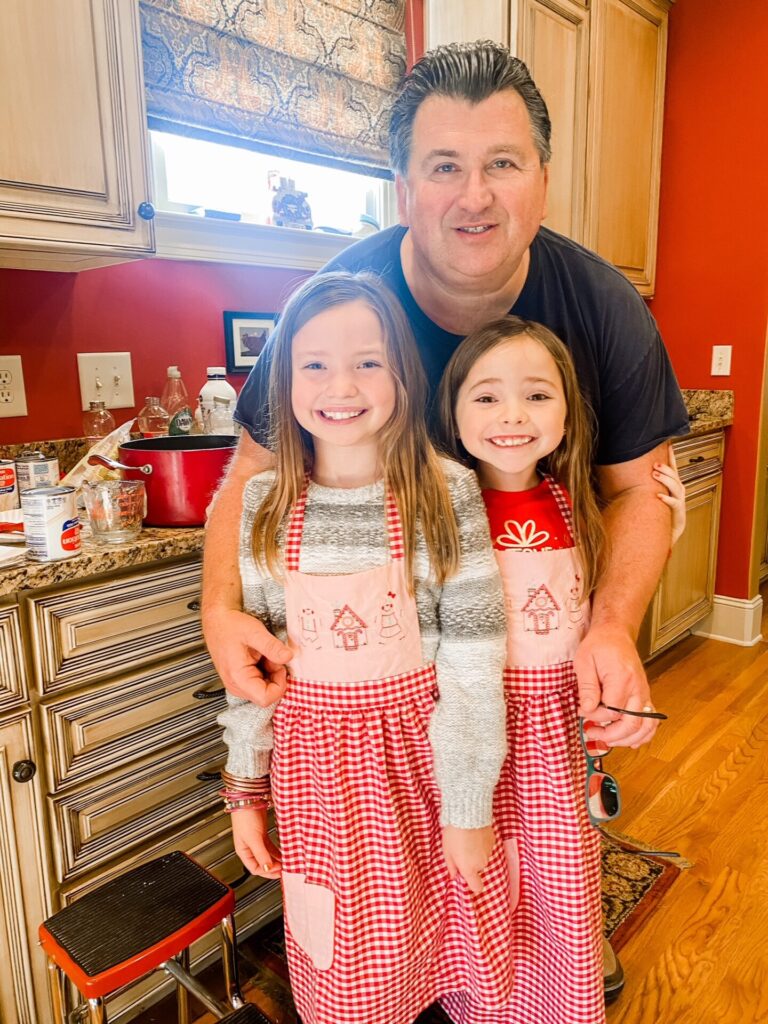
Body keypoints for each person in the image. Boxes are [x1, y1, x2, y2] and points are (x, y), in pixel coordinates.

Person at [201, 39, 690, 999]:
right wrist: (224, 607)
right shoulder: (338, 311)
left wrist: (612, 625)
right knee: (399, 919)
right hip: (370, 699)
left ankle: (540, 954)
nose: (475, 196)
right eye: (444, 167)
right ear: (402, 186)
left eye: (502, 163)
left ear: (543, 179)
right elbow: (249, 475)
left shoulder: (601, 307)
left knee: (541, 886)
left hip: (528, 668)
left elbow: (644, 489)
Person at [218, 271, 517, 1024]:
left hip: (429, 768)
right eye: (314, 363)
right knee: (346, 967)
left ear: (404, 375)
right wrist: (244, 789)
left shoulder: (444, 494)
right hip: (317, 784)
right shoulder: (263, 505)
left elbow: (475, 666)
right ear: (284, 379)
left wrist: (469, 805)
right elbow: (252, 674)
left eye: (368, 361)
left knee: (452, 940)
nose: (339, 384)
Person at [435, 314, 670, 1023]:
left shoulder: (581, 509)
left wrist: (606, 706)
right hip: (476, 737)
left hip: (555, 736)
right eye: (486, 397)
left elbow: (592, 625)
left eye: (538, 396)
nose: (512, 415)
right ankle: (480, 993)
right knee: (477, 871)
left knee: (558, 867)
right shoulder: (439, 515)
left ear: (569, 412)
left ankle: (554, 990)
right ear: (451, 411)